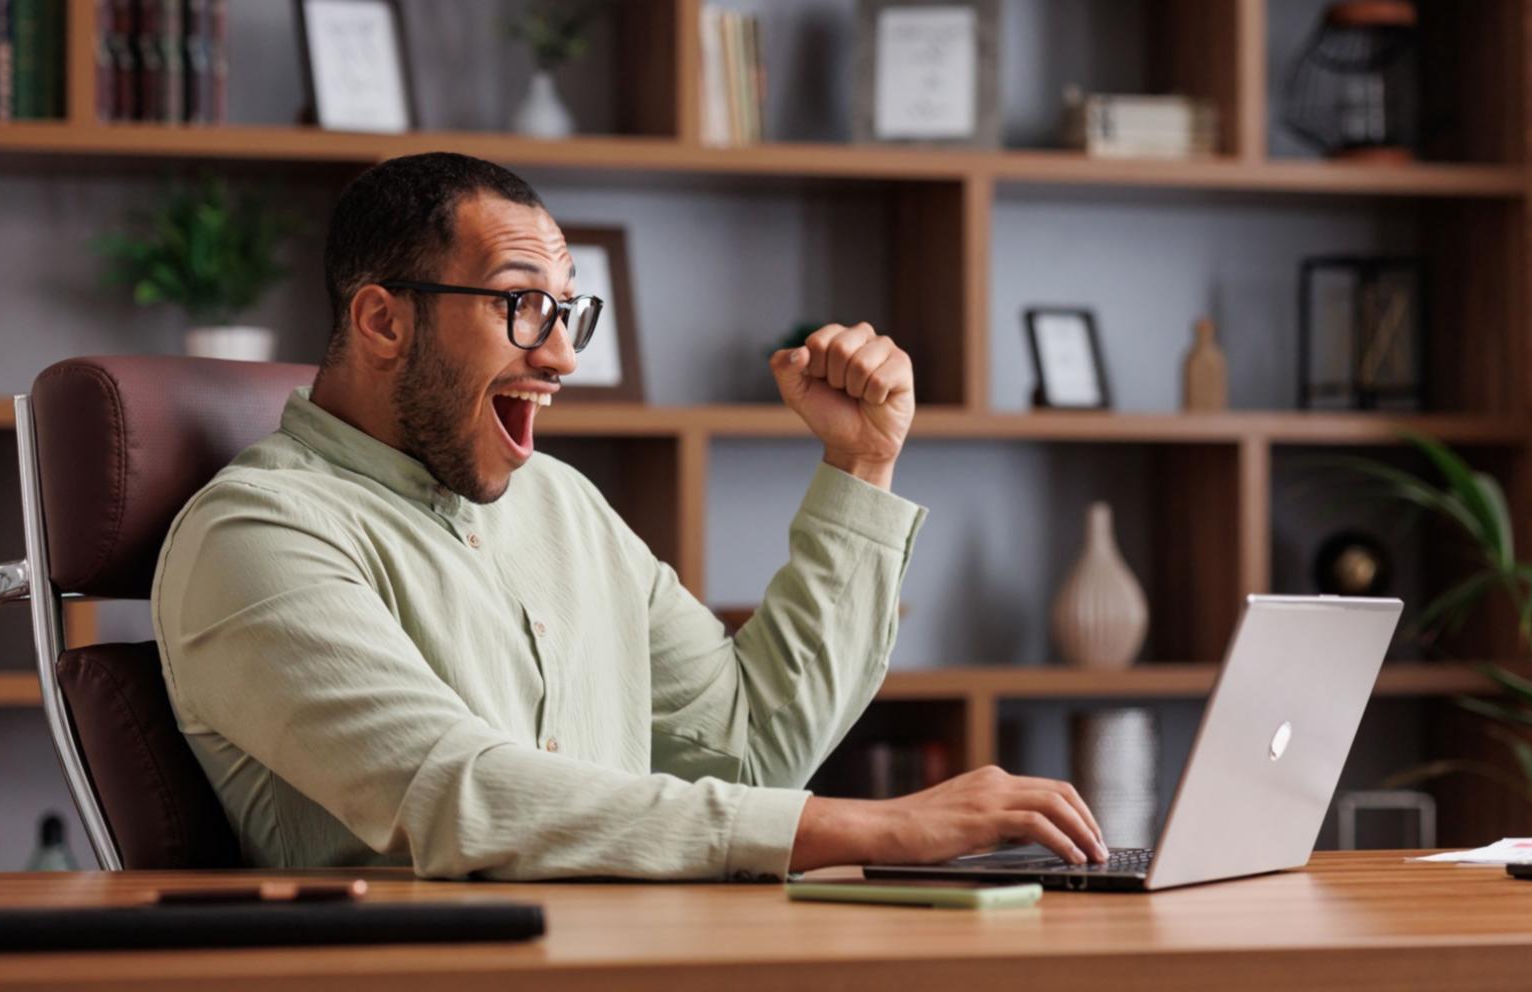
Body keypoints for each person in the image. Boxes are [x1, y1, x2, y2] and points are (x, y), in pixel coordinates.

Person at [152, 152, 1107, 881]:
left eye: (570, 312)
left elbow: (753, 748)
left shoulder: (560, 503)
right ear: (383, 322)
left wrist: (862, 461)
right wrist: (871, 825)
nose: (563, 357)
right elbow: (457, 794)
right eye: (522, 305)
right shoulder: (254, 537)